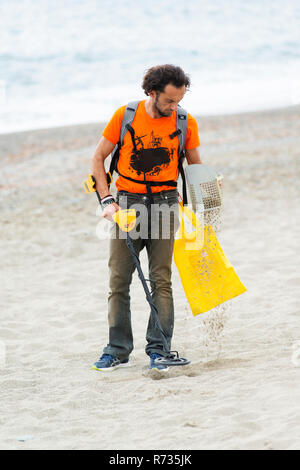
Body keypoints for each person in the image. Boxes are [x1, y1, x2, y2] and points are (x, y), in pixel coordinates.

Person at [91, 64, 202, 372]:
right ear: (152, 93)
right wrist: (107, 200)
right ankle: (117, 349)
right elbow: (98, 158)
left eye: (178, 100)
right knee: (119, 281)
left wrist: (209, 184)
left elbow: (195, 167)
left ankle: (160, 349)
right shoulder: (125, 116)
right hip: (127, 206)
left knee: (161, 280)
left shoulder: (184, 121)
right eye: (169, 100)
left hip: (167, 203)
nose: (174, 106)